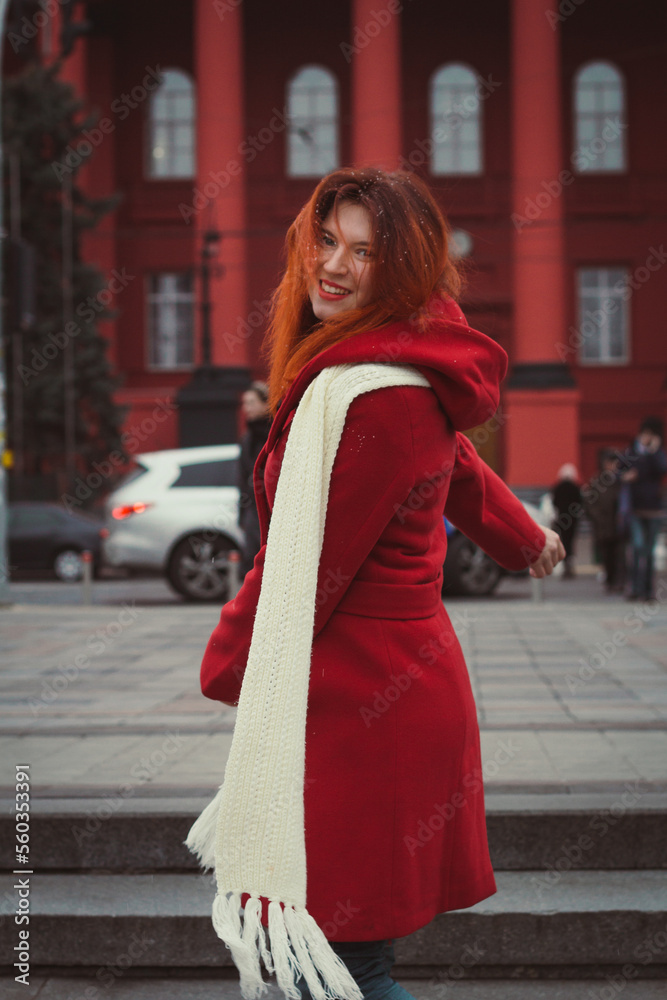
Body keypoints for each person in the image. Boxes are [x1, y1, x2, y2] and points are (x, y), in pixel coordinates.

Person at [186, 168, 564, 1000]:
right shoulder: (384, 367)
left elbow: (306, 568)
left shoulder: (375, 394)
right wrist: (524, 536)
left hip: (369, 709)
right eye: (326, 241)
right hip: (365, 693)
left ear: (402, 269)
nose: (332, 265)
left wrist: (225, 665)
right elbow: (456, 462)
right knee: (330, 965)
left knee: (338, 969)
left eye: (363, 252)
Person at [622, 416, 667, 601]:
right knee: (637, 547)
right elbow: (618, 470)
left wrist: (654, 451)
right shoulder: (632, 452)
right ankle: (634, 587)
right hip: (635, 509)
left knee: (649, 552)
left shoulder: (658, 454)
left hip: (654, 509)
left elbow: (663, 468)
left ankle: (647, 590)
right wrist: (625, 476)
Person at [237, 381, 272, 580]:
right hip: (253, 509)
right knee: (251, 560)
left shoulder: (276, 432)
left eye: (251, 402)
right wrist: (242, 513)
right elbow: (242, 478)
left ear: (266, 404)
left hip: (273, 507)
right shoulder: (247, 438)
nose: (246, 408)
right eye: (244, 403)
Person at [583, 449, 624, 593]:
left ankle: (618, 581)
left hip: (618, 524)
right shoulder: (597, 481)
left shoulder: (619, 481)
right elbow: (589, 503)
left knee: (619, 554)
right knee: (606, 555)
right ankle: (610, 581)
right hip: (603, 526)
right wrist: (598, 518)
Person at [550, 463, 583, 578]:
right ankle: (570, 563)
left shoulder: (558, 487)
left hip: (561, 518)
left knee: (563, 541)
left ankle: (564, 563)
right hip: (572, 519)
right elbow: (580, 502)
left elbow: (554, 502)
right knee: (571, 541)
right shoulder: (575, 487)